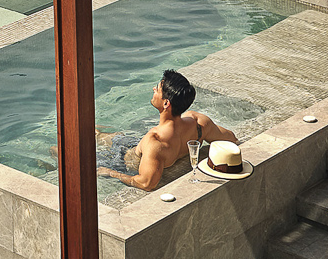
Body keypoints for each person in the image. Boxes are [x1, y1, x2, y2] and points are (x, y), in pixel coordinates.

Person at [96, 69, 237, 192]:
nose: (153, 89)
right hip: (138, 147)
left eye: (157, 89)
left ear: (166, 103)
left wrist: (111, 173)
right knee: (110, 136)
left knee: (98, 141)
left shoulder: (155, 141)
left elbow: (146, 183)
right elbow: (231, 138)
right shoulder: (199, 123)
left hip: (124, 159)